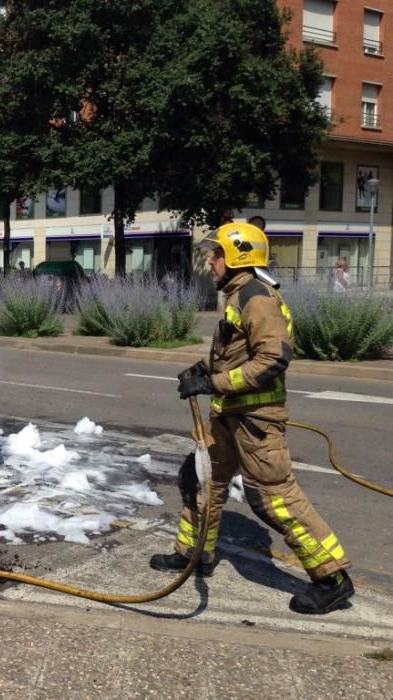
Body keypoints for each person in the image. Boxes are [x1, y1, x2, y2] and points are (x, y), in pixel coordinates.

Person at [151, 222, 354, 615]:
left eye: (217, 254)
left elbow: (273, 359)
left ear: (238, 256)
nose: (211, 261)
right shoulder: (237, 294)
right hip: (229, 416)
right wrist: (203, 374)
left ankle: (332, 579)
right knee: (200, 479)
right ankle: (195, 555)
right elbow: (238, 352)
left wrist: (216, 383)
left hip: (256, 422)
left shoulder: (256, 298)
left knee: (274, 499)